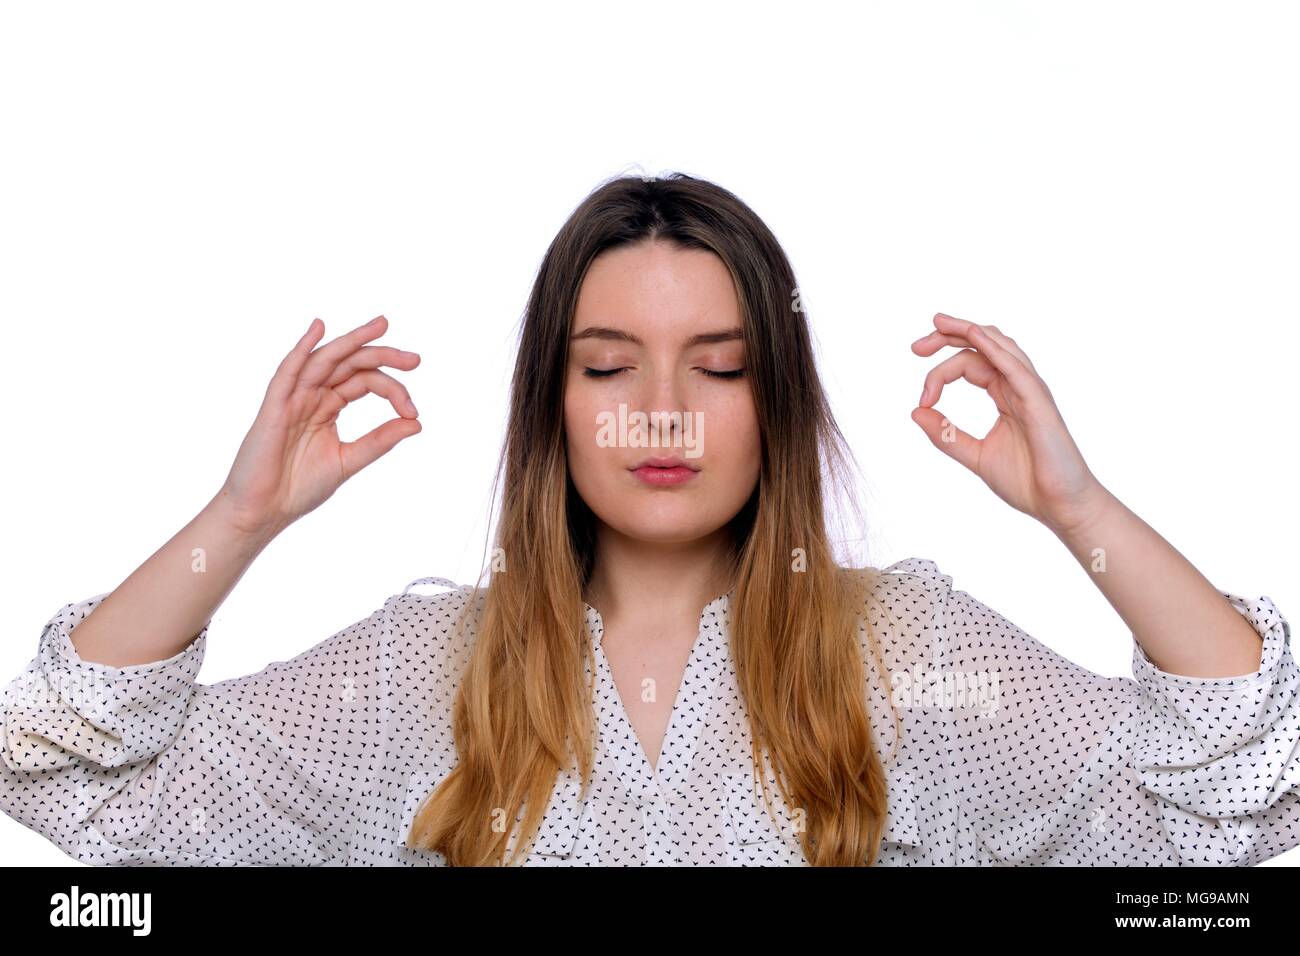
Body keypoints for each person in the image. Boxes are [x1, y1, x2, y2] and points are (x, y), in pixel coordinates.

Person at [1, 173, 1294, 866]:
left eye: (720, 367)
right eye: (609, 366)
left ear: (774, 405)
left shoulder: (908, 656)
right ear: (551, 406)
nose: (663, 411)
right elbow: (69, 767)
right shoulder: (424, 674)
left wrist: (1078, 509)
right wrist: (241, 518)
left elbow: (1242, 789)